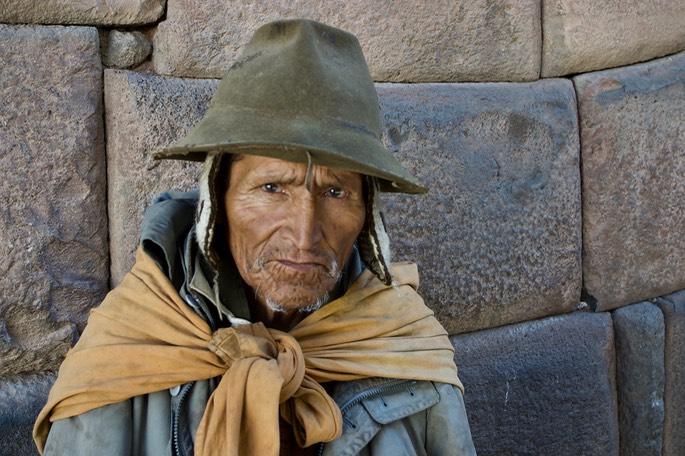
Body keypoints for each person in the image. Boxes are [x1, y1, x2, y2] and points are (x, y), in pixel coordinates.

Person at [34, 19, 476, 455]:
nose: (304, 235)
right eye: (271, 189)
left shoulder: (407, 344)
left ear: (367, 215)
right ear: (216, 201)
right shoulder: (130, 342)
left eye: (336, 191)